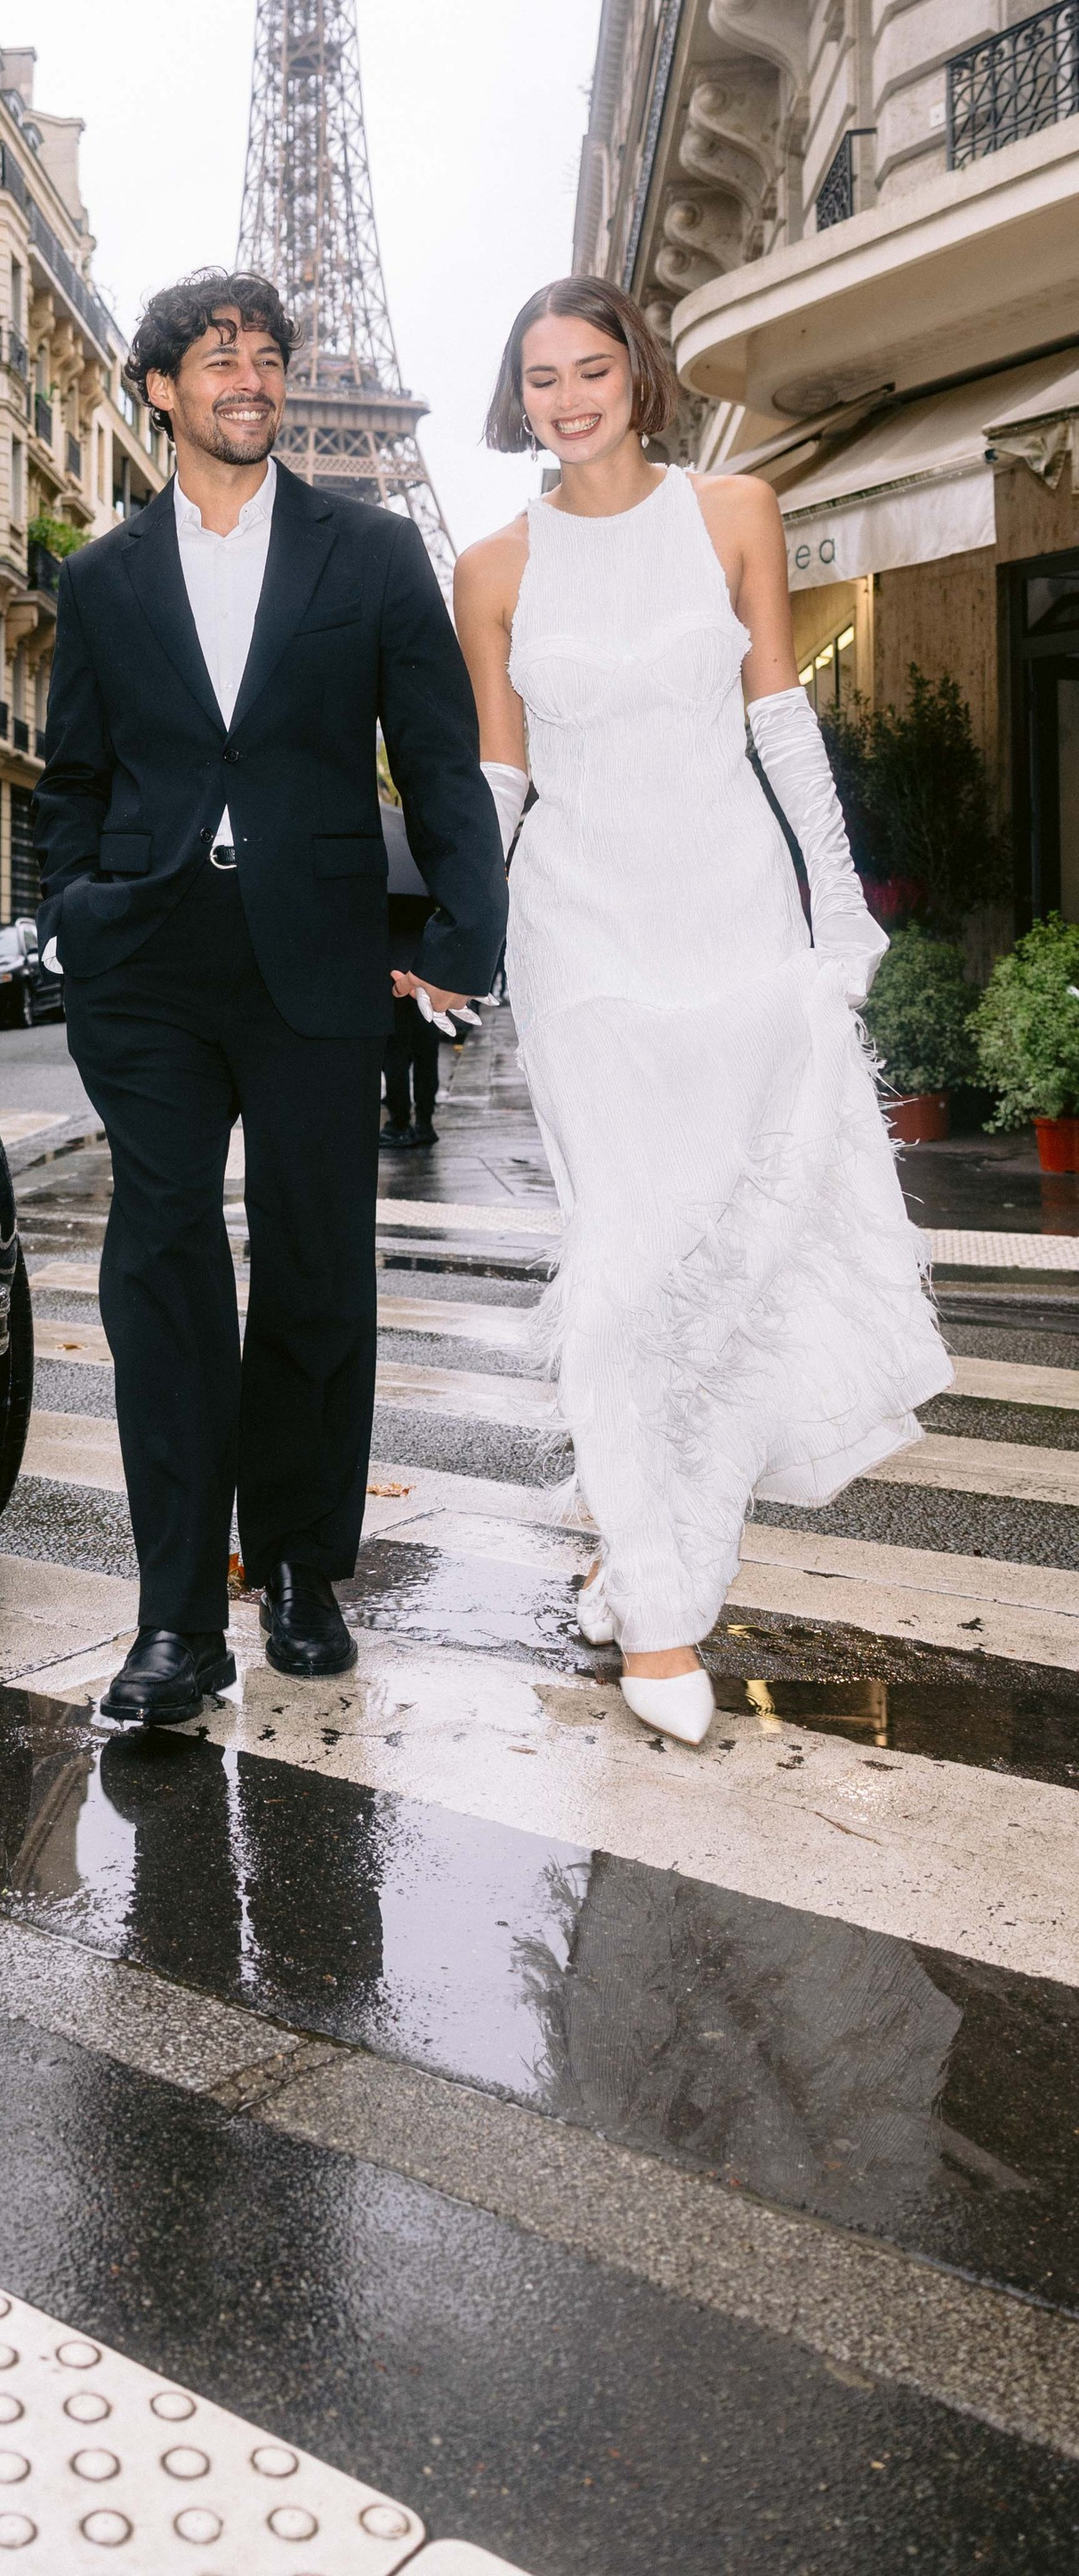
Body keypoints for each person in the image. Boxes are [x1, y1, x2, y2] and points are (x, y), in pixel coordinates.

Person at [453, 277, 949, 1745]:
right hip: (583, 934)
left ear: (638, 375)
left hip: (731, 916)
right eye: (539, 377)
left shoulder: (735, 511)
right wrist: (458, 943)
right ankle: (663, 1616)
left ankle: (653, 1539)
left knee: (734, 1258)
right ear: (517, 398)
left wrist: (839, 907)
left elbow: (780, 725)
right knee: (625, 1258)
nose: (566, 397)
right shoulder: (489, 568)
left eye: (590, 368)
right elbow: (497, 782)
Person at [34, 269, 507, 1727]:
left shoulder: (368, 554)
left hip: (315, 949)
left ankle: (301, 1565)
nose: (249, 373)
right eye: (216, 356)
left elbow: (436, 760)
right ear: (161, 391)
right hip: (155, 962)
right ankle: (175, 1621)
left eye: (267, 355)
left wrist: (464, 933)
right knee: (162, 1270)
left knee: (316, 1267)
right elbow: (75, 779)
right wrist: (80, 912)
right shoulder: (107, 579)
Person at [381, 794, 443, 1148]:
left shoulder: (384, 883)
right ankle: (425, 1121)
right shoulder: (424, 873)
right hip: (426, 973)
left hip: (392, 979)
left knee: (396, 1053)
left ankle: (400, 1120)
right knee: (425, 1052)